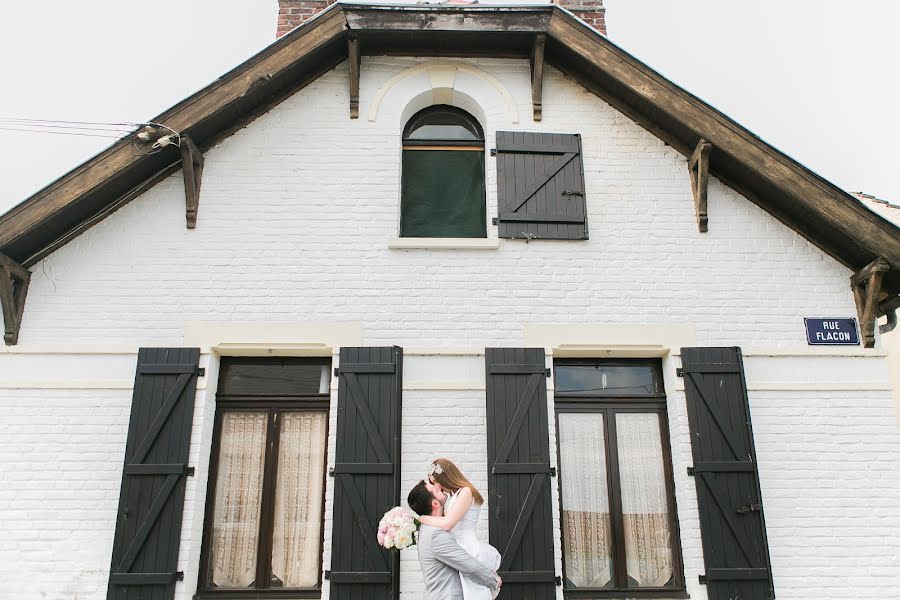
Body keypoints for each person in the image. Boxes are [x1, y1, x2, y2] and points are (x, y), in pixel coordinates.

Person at [418, 458, 502, 600]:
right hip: (457, 546)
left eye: (435, 482)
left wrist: (422, 519)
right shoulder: (451, 496)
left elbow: (448, 524)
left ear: (446, 478)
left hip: (468, 547)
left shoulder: (466, 492)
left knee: (473, 593)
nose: (436, 486)